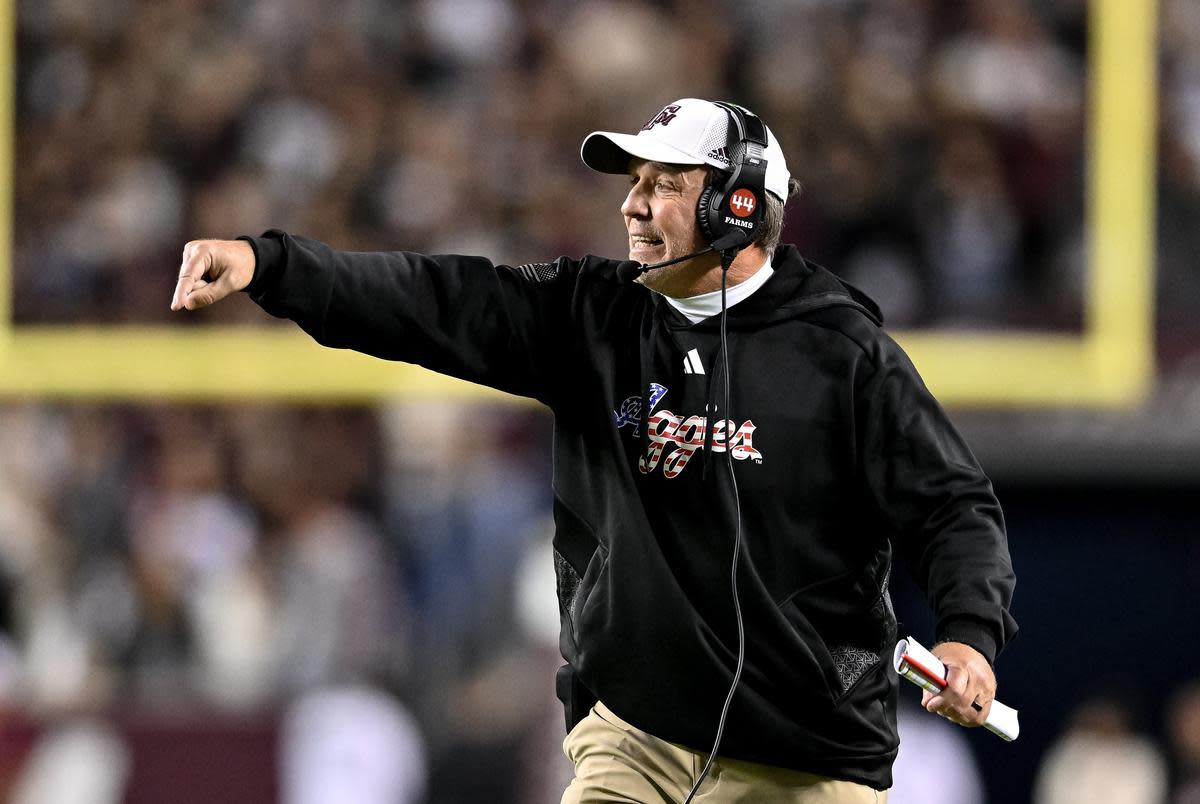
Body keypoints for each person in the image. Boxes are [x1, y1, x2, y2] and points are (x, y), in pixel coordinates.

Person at [171, 98, 1018, 803]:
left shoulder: (843, 353)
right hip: (634, 736)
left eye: (665, 184)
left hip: (803, 754)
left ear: (739, 205)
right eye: (634, 181)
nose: (633, 204)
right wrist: (270, 265)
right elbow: (436, 301)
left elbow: (952, 504)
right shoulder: (592, 316)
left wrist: (970, 636)